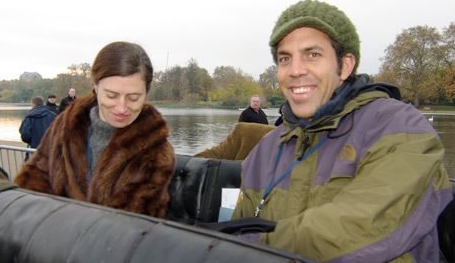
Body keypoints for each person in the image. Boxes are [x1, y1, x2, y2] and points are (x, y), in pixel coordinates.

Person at [231, 0, 453, 263]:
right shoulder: (267, 147)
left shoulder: (401, 127)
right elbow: (238, 230)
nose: (295, 70)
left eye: (313, 54)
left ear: (345, 65)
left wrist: (241, 251)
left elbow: (357, 225)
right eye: (285, 59)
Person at [14, 41, 176, 218]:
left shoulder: (156, 152)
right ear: (96, 86)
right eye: (111, 96)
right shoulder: (65, 126)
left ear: (146, 92)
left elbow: (133, 230)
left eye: (134, 98)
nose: (121, 108)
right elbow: (31, 187)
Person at [195, 123, 275, 161]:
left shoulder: (261, 114)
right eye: (254, 101)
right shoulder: (243, 126)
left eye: (257, 102)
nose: (255, 103)